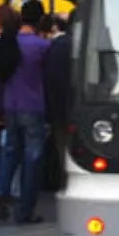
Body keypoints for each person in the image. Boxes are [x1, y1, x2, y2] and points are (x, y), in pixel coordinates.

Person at [0, 0, 53, 224]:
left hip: (10, 104)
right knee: (32, 158)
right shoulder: (43, 46)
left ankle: (1, 191)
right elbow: (49, 80)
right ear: (40, 19)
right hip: (34, 106)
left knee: (10, 152)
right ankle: (25, 210)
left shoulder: (8, 43)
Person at [43, 11, 74, 192]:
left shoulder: (57, 45)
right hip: (82, 105)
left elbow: (50, 77)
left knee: (62, 147)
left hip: (59, 106)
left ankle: (65, 183)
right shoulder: (86, 44)